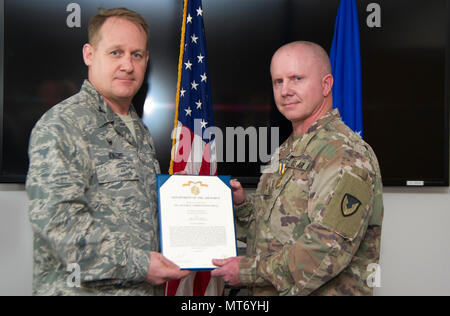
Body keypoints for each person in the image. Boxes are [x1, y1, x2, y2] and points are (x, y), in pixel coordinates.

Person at [26, 7, 189, 296]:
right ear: (89, 54)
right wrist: (140, 264)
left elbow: (145, 217)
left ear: (146, 60)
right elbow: (60, 226)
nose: (128, 65)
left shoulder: (138, 131)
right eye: (116, 52)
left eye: (136, 55)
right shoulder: (61, 126)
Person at [211, 41, 384, 296]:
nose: (285, 91)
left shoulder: (345, 154)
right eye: (278, 81)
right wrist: (242, 207)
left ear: (326, 85)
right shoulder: (288, 150)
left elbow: (326, 250)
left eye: (297, 78)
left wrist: (247, 271)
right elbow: (274, 232)